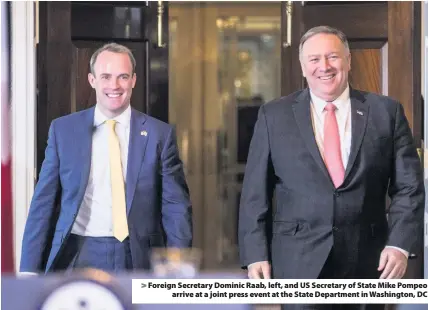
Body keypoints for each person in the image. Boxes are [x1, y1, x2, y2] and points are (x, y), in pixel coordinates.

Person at [238, 26, 424, 308]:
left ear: (348, 61)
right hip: (298, 264)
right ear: (302, 67)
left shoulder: (386, 112)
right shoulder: (273, 116)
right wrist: (255, 254)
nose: (324, 66)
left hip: (369, 264)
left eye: (332, 57)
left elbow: (409, 188)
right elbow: (255, 194)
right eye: (314, 59)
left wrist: (399, 245)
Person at [20, 43, 193, 274]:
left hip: (139, 256)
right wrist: (29, 269)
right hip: (77, 253)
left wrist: (178, 266)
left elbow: (175, 208)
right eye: (106, 76)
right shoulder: (63, 130)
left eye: (123, 77)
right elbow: (43, 204)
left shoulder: (159, 135)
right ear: (92, 80)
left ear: (133, 80)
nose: (114, 85)